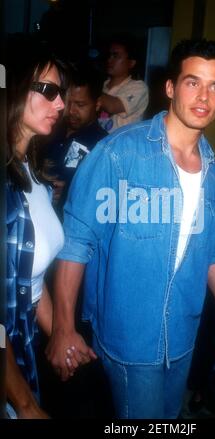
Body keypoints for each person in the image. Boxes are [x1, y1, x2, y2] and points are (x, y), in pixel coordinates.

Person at [46, 38, 215, 419]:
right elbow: (76, 242)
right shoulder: (118, 153)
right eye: (192, 82)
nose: (204, 96)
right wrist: (62, 328)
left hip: (183, 337)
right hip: (128, 342)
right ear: (170, 88)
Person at [5, 37, 67, 418]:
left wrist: (62, 334)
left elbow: (32, 279)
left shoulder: (31, 171)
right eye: (47, 90)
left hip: (23, 342)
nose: (59, 104)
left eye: (61, 93)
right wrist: (24, 404)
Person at [42, 64, 107, 219]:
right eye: (68, 102)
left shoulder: (103, 145)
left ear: (97, 104)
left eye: (80, 105)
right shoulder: (47, 127)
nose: (70, 111)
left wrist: (69, 190)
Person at [97, 34, 149, 133]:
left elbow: (113, 106)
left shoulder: (139, 87)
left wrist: (89, 91)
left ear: (131, 63)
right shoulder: (103, 84)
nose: (109, 60)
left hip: (123, 146)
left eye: (115, 56)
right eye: (109, 55)